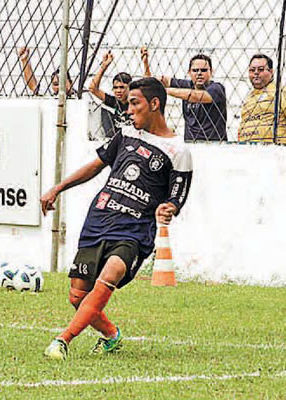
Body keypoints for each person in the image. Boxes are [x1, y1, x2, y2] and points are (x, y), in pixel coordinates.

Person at [40, 77, 192, 360]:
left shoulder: (178, 152)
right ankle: (111, 336)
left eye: (135, 103)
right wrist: (58, 188)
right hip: (99, 221)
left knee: (111, 273)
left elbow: (176, 197)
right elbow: (95, 166)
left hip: (134, 230)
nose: (129, 109)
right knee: (77, 296)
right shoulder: (124, 135)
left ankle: (63, 340)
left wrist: (169, 207)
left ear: (154, 104)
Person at [152, 52, 227, 142]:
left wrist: (164, 90)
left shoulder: (217, 88)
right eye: (195, 70)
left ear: (211, 72)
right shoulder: (187, 85)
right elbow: (162, 81)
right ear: (189, 72)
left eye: (203, 70)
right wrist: (146, 64)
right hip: (190, 143)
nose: (199, 73)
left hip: (214, 144)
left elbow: (197, 96)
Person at [238, 53, 286, 144]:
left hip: (275, 150)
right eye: (252, 70)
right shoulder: (249, 99)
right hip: (247, 150)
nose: (256, 72)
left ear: (271, 72)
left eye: (260, 69)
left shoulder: (280, 92)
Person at [88, 51, 132, 138]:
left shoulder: (135, 102)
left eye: (122, 87)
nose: (118, 91)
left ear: (130, 88)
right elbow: (93, 88)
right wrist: (104, 66)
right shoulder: (114, 102)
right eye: (115, 88)